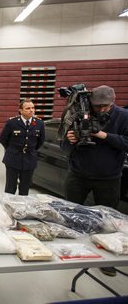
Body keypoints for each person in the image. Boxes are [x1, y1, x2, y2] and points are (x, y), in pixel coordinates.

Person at [61, 85, 128, 277]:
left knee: (108, 223)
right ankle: (68, 251)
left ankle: (108, 260)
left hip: (108, 178)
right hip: (78, 174)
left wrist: (103, 135)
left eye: (105, 106)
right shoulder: (79, 113)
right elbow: (64, 147)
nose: (101, 110)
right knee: (69, 214)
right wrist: (70, 140)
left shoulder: (123, 116)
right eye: (97, 106)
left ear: (113, 101)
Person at [0, 98, 45, 196]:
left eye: (33, 108)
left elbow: (40, 142)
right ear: (21, 110)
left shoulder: (39, 123)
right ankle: (8, 207)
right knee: (10, 188)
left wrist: (31, 151)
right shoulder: (12, 123)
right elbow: (3, 139)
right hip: (13, 158)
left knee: (25, 188)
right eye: (28, 108)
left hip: (30, 159)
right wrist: (11, 149)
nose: (31, 110)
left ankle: (22, 209)